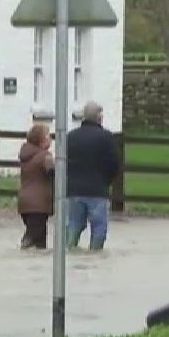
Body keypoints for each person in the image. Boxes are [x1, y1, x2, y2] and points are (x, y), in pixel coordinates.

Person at [66, 101, 120, 251]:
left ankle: (68, 249)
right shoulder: (106, 137)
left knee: (74, 224)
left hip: (74, 190)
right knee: (99, 227)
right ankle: (95, 254)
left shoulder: (71, 137)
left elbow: (63, 162)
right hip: (97, 189)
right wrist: (107, 181)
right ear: (99, 117)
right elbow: (114, 163)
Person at [17, 123, 55, 249]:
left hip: (24, 202)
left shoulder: (26, 155)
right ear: (40, 139)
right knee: (32, 237)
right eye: (47, 135)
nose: (50, 138)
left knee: (40, 241)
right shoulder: (45, 156)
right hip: (38, 204)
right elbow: (54, 173)